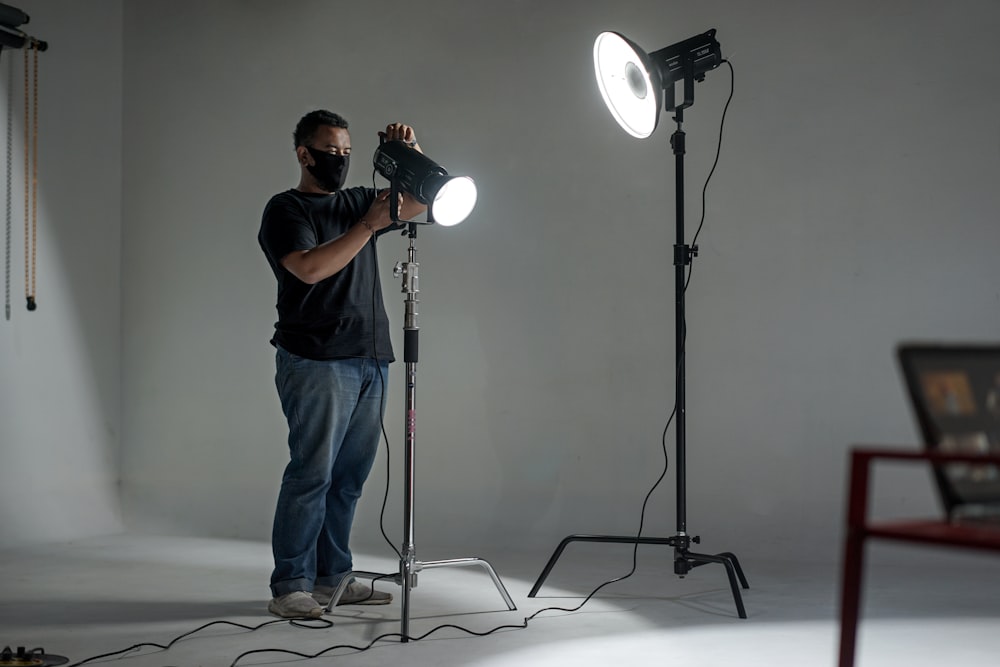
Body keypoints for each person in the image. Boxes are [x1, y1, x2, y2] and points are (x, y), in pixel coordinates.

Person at [258, 110, 425, 618]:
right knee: (313, 473)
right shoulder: (285, 209)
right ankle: (291, 585)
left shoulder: (357, 201)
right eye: (331, 151)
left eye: (348, 152)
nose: (341, 160)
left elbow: (418, 203)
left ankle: (335, 576)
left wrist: (410, 154)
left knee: (350, 477)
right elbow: (309, 270)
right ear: (304, 154)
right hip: (315, 360)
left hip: (371, 356)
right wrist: (367, 226)